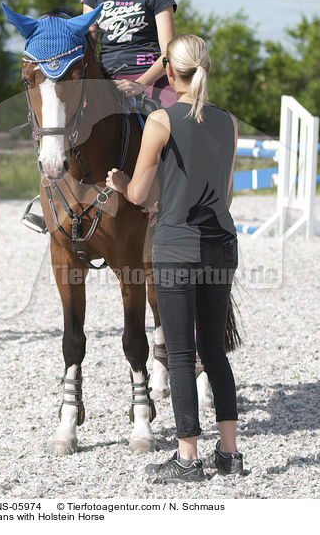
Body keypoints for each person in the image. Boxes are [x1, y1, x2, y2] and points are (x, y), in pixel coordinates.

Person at [106, 34, 243, 483]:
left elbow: (141, 194)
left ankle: (187, 459)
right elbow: (223, 194)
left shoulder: (161, 120)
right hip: (221, 243)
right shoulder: (229, 122)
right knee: (215, 353)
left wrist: (121, 183)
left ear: (170, 74)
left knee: (182, 354)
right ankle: (230, 455)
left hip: (178, 246)